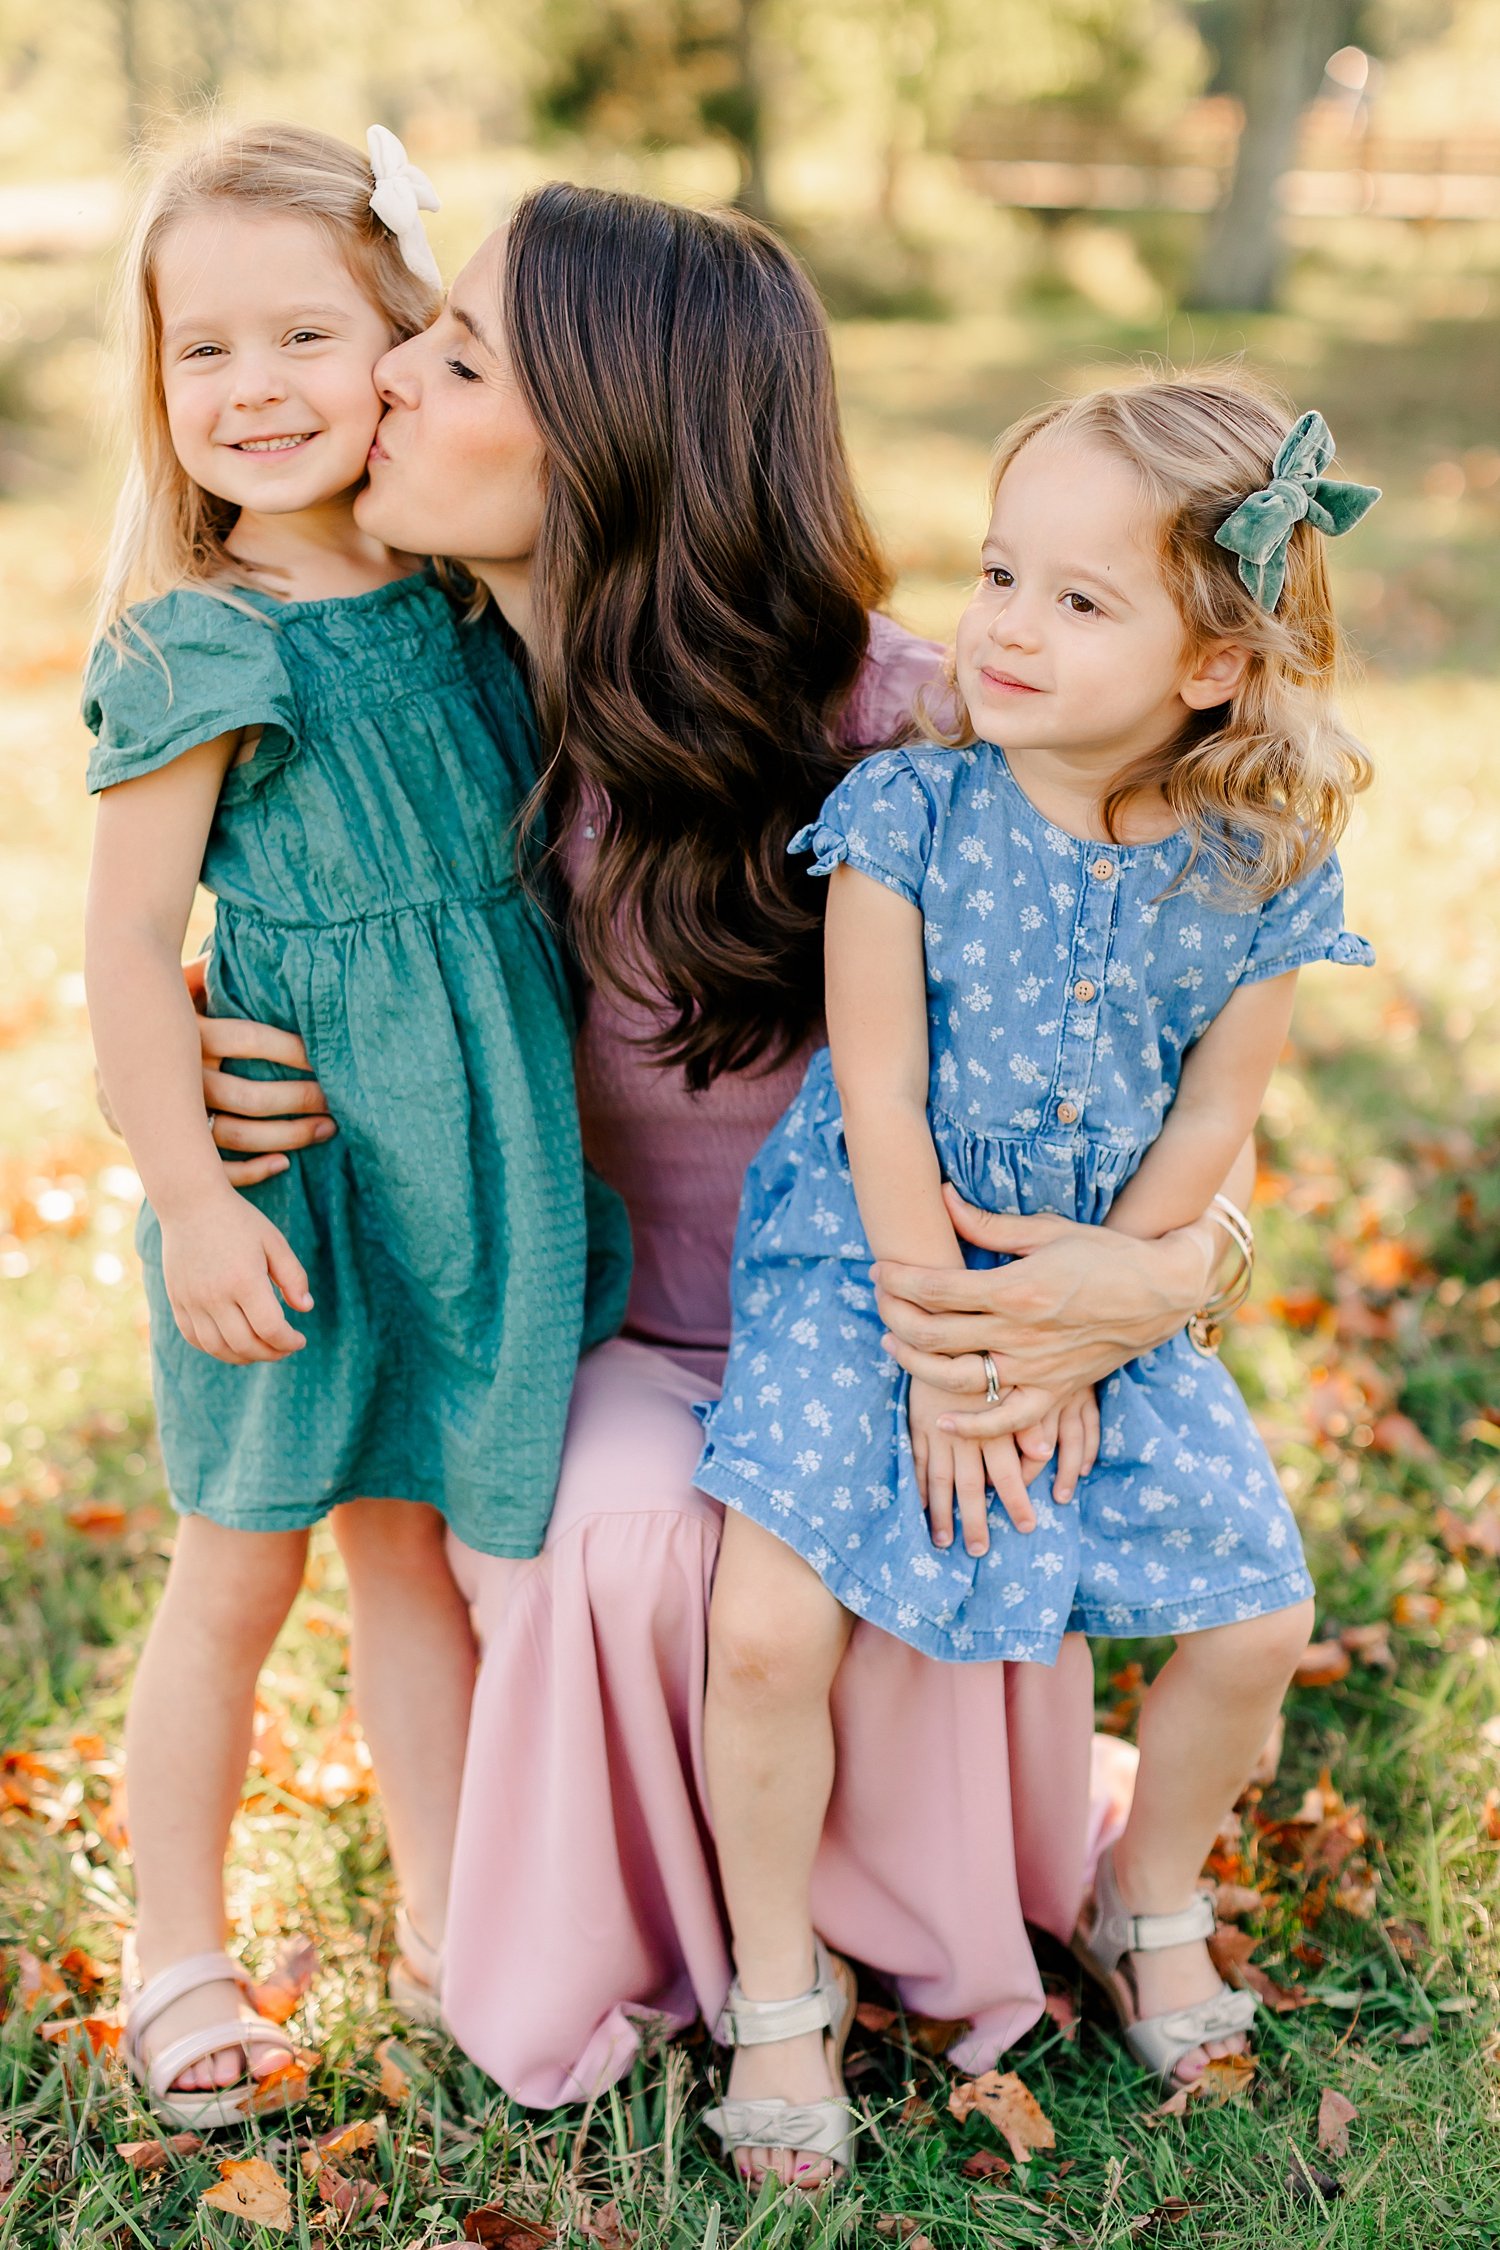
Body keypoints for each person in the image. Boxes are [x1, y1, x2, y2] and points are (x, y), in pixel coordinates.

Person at [180, 186, 1260, 2143]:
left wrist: (1189, 1265)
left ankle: (947, 1915)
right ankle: (668, 1966)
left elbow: (1190, 1051)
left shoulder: (907, 726)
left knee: (896, 1481)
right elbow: (240, 929)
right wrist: (177, 1072)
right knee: (624, 1535)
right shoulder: (410, 712)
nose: (390, 388)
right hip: (613, 1329)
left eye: (459, 358)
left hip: (886, 1318)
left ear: (614, 438)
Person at [694, 374, 1377, 2167]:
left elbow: (1219, 1107)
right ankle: (779, 1986)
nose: (1003, 627)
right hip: (877, 1262)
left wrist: (1093, 1320)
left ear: (1214, 664)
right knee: (764, 1629)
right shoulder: (906, 814)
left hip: (1103, 1273)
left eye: (1081, 601)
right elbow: (881, 1090)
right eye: (1000, 574)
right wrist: (946, 1347)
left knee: (1257, 1616)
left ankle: (1141, 1895)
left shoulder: (1257, 864)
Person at [82, 124, 627, 2129]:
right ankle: (175, 1950)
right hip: (293, 1183)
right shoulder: (199, 641)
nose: (249, 388)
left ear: (405, 340)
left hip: (471, 1171)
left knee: (418, 1559)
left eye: (304, 332)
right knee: (235, 1573)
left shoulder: (474, 607)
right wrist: (190, 1194)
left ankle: (451, 1921)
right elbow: (131, 949)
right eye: (197, 348)